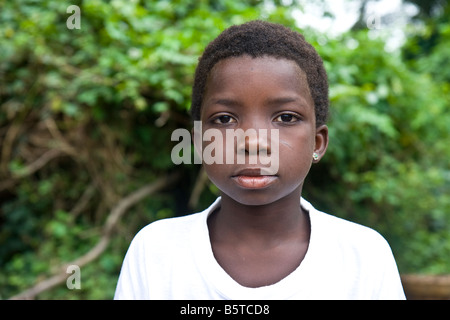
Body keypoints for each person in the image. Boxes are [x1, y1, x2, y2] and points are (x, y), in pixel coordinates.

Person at [114, 20, 405, 299]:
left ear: (317, 143)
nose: (253, 141)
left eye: (286, 117)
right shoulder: (155, 252)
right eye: (225, 119)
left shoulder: (363, 257)